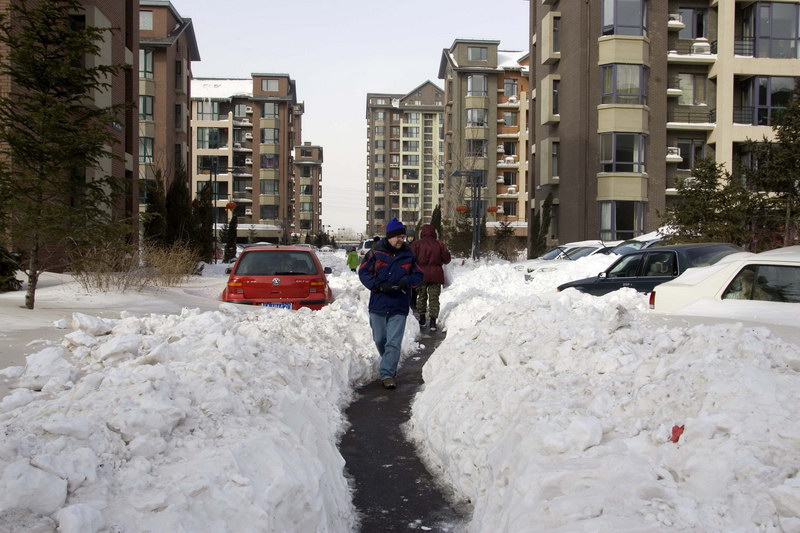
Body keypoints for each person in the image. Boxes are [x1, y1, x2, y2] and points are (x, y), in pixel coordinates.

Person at [358, 218, 423, 389]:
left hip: (399, 304)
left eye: (404, 236)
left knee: (393, 342)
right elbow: (363, 271)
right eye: (399, 237)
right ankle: (388, 361)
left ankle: (387, 374)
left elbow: (418, 275)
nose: (402, 239)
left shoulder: (409, 254)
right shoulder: (375, 252)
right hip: (379, 303)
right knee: (380, 339)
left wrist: (405, 282)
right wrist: (377, 285)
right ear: (390, 237)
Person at [410, 224, 451, 332]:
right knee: (434, 298)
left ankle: (422, 319)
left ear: (422, 233)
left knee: (421, 297)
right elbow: (447, 259)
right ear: (434, 233)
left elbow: (410, 259)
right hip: (436, 275)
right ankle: (432, 322)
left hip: (420, 275)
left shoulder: (416, 244)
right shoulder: (440, 244)